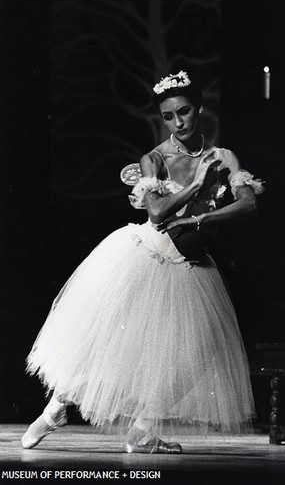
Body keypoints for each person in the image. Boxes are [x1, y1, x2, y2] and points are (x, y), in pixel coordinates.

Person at [22, 70, 264, 454]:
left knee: (197, 353)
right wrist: (196, 187)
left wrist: (200, 217)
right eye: (168, 116)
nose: (178, 122)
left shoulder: (223, 157)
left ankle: (143, 429)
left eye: (184, 112)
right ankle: (56, 409)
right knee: (109, 340)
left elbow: (249, 202)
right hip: (149, 256)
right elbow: (155, 213)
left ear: (199, 110)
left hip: (193, 265)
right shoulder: (155, 159)